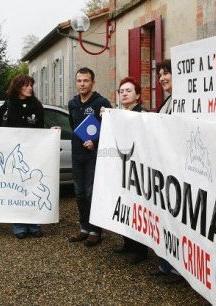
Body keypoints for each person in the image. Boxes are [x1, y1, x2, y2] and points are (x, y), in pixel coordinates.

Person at [0, 75, 45, 239]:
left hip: (32, 155)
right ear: (18, 87)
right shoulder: (8, 105)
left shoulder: (37, 106)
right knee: (16, 192)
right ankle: (19, 226)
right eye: (26, 85)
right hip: (13, 158)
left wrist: (51, 133)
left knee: (32, 189)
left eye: (31, 85)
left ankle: (34, 225)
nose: (30, 88)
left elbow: (41, 130)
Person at [68, 67, 111, 247]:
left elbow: (110, 128)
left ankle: (96, 230)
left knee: (91, 192)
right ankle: (84, 228)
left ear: (93, 82)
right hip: (77, 155)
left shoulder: (101, 103)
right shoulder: (72, 103)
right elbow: (73, 125)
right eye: (79, 81)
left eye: (86, 81)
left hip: (94, 156)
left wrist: (95, 141)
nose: (82, 84)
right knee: (79, 193)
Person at [152, 59, 184, 284]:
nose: (162, 78)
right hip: (165, 168)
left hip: (178, 170)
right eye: (160, 74)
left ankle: (177, 269)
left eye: (167, 73)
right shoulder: (167, 102)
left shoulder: (186, 101)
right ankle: (166, 264)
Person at [111, 76, 149, 264]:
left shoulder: (143, 115)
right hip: (121, 167)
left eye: (128, 91)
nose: (124, 94)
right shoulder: (117, 114)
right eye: (122, 91)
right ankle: (127, 242)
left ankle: (140, 250)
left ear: (138, 95)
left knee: (137, 207)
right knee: (124, 205)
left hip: (136, 169)